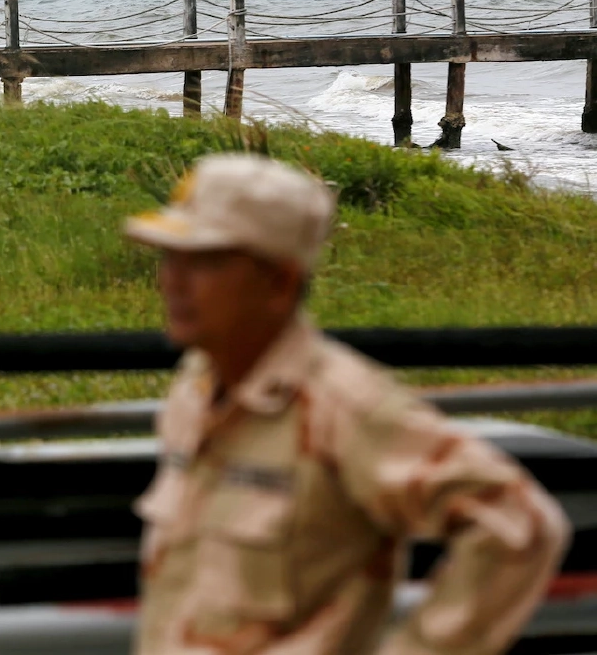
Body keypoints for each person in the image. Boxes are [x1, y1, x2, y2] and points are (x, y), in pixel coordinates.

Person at [123, 153, 569, 655]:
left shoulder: (341, 406)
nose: (172, 282)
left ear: (279, 283)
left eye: (204, 262)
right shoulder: (197, 389)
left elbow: (518, 525)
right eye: (169, 258)